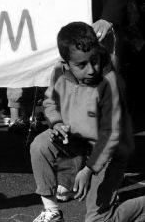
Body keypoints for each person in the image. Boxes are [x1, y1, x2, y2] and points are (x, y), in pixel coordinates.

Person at [29, 22, 145, 222]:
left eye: (95, 60)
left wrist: (89, 170)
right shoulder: (59, 71)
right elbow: (50, 102)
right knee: (40, 145)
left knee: (98, 220)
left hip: (109, 153)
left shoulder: (110, 83)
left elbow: (111, 134)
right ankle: (52, 211)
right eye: (82, 65)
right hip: (77, 142)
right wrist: (56, 124)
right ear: (66, 63)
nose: (91, 69)